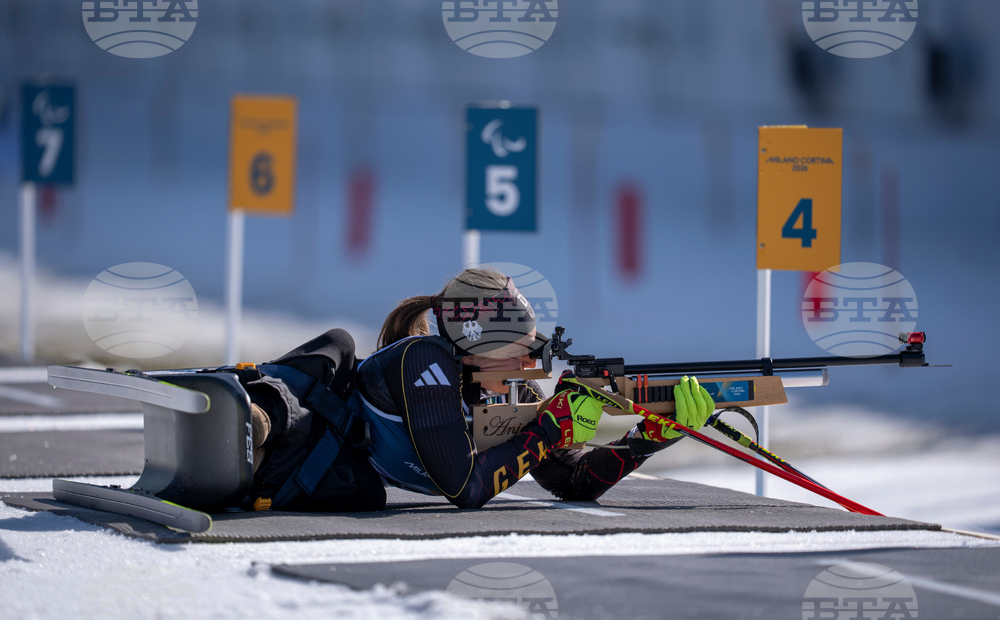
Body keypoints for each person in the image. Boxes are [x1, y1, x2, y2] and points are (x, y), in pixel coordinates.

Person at [245, 267, 716, 512]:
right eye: (515, 351)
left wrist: (645, 440)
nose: (528, 364)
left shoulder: (509, 391)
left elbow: (573, 483)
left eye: (531, 347)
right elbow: (464, 488)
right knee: (321, 370)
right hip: (297, 432)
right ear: (472, 349)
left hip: (312, 478)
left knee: (366, 494)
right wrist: (547, 432)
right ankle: (243, 417)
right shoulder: (426, 359)